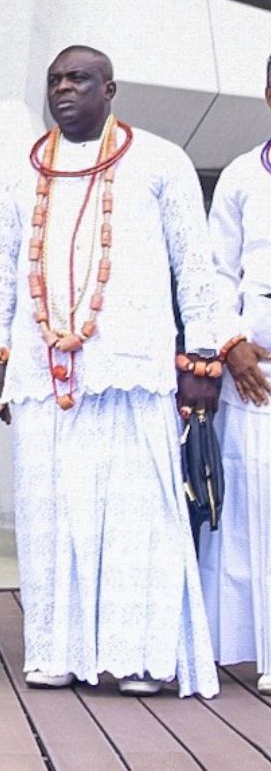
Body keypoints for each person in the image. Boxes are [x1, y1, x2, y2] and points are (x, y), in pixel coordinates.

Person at [0, 45, 221, 698]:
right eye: (55, 79)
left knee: (136, 511)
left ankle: (138, 657)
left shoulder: (161, 160)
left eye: (78, 78)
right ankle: (54, 649)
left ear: (109, 89)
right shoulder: (19, 173)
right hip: (42, 370)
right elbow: (0, 272)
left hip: (133, 365)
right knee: (50, 509)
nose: (64, 88)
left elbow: (194, 266)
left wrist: (204, 353)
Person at [202, 56, 271, 694]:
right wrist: (232, 343)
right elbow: (216, 274)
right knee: (251, 514)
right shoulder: (243, 174)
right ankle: (258, 654)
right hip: (256, 377)